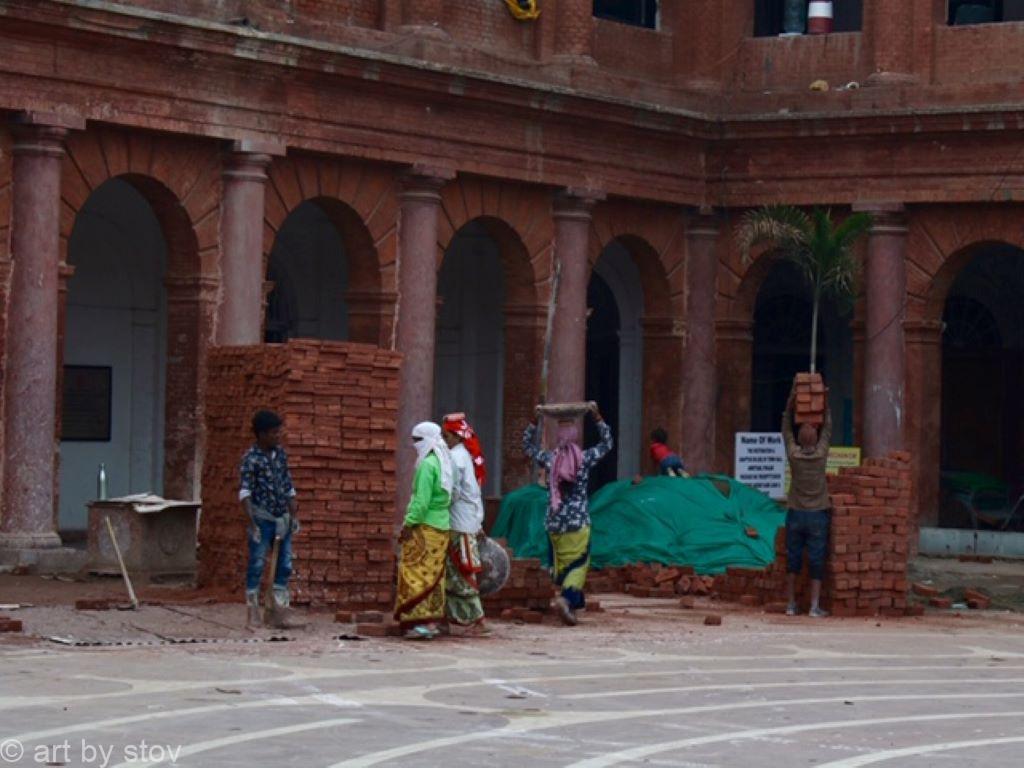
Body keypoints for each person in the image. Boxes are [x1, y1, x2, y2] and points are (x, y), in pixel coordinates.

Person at [523, 403, 613, 626]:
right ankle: (566, 599)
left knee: (563, 563)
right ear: (574, 436)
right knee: (579, 564)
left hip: (554, 523)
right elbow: (607, 444)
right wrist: (597, 416)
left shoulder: (551, 459)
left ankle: (572, 605)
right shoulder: (583, 458)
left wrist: (534, 421)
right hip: (577, 522)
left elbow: (526, 446)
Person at [239, 410, 300, 628]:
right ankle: (252, 611)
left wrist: (293, 515)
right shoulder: (251, 459)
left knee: (284, 564)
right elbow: (245, 493)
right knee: (257, 563)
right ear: (262, 434)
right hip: (262, 518)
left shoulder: (280, 455)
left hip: (281, 518)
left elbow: (288, 486)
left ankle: (277, 610)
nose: (278, 436)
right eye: (274, 432)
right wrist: (252, 523)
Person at [394, 422, 453, 640]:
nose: (414, 445)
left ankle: (419, 621)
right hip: (442, 527)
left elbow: (421, 502)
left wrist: (408, 524)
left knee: (414, 574)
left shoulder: (427, 465)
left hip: (425, 527)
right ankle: (431, 622)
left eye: (417, 441)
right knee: (433, 576)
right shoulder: (443, 463)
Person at [782, 383, 833, 618]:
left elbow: (786, 431)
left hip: (795, 513)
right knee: (816, 560)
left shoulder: (794, 455)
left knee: (792, 559)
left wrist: (792, 402)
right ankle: (813, 606)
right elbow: (829, 429)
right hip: (817, 514)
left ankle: (791, 604)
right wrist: (825, 402)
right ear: (815, 439)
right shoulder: (821, 455)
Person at [441, 413, 490, 636]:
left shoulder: (455, 457)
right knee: (453, 571)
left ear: (455, 436)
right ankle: (452, 616)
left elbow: (454, 492)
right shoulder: (465, 455)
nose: (444, 439)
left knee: (461, 571)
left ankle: (478, 618)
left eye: (447, 435)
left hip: (458, 523)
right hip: (467, 520)